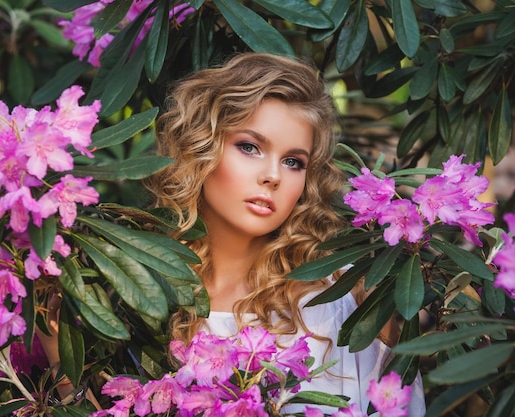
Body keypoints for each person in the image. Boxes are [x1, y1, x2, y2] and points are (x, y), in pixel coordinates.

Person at [40, 52, 426, 416]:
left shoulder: (348, 296)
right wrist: (62, 358)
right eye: (250, 147)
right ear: (201, 149)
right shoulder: (140, 294)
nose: (273, 175)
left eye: (293, 161)